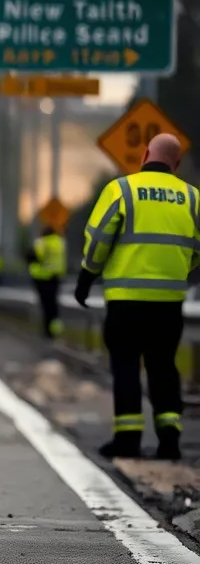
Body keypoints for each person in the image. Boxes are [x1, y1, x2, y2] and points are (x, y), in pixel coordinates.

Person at [76, 133, 197, 461]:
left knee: (126, 366)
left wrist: (87, 276)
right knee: (163, 367)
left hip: (126, 301)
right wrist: (179, 269)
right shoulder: (192, 197)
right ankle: (169, 439)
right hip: (169, 304)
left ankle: (128, 440)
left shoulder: (122, 190)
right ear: (177, 163)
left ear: (145, 155)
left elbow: (98, 238)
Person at [26, 224, 65, 339]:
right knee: (53, 304)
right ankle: (55, 329)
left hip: (41, 278)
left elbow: (31, 256)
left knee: (45, 305)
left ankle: (48, 331)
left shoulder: (42, 243)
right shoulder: (60, 243)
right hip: (56, 277)